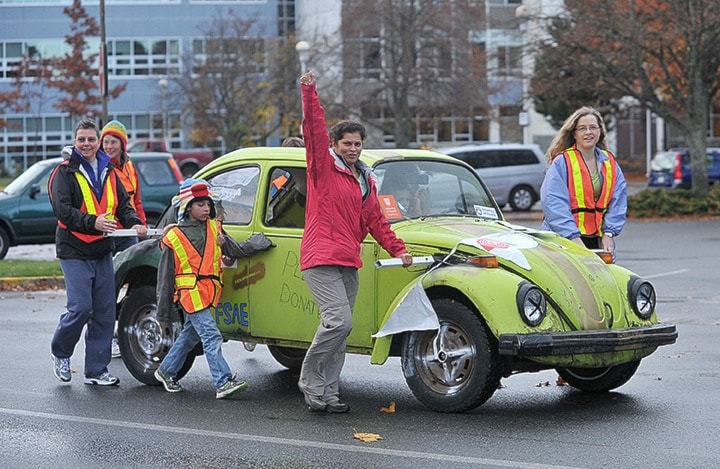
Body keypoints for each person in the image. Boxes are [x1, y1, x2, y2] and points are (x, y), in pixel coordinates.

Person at [297, 70, 413, 414]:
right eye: (346, 143)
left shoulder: (365, 180)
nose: (352, 148)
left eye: (357, 144)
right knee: (339, 323)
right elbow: (313, 130)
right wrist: (309, 92)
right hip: (320, 258)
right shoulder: (322, 169)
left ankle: (326, 396)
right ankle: (309, 379)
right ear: (334, 145)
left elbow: (376, 221)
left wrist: (399, 249)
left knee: (340, 334)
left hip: (348, 261)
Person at [49, 117, 148, 386]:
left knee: (104, 312)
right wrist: (93, 222)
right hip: (73, 249)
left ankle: (96, 370)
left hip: (103, 250)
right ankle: (61, 352)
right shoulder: (63, 173)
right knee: (81, 309)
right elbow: (63, 210)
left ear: (98, 142)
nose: (87, 144)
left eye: (91, 139)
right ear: (75, 141)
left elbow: (124, 206)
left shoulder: (111, 172)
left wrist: (135, 223)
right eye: (82, 139)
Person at [153, 178, 273, 399]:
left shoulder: (214, 227)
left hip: (209, 292)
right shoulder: (173, 237)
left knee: (190, 336)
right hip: (191, 294)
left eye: (208, 204)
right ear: (187, 207)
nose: (206, 208)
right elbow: (165, 279)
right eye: (200, 204)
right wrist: (162, 312)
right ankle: (223, 381)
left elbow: (233, 249)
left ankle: (166, 371)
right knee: (211, 335)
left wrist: (257, 244)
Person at [540, 106, 627, 257]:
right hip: (563, 239)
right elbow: (553, 202)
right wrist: (574, 238)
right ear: (574, 133)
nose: (588, 132)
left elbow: (618, 201)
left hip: (597, 240)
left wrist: (609, 234)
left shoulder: (609, 162)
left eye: (593, 127)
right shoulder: (562, 162)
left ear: (600, 132)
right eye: (582, 128)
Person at [100, 120, 147, 253]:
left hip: (129, 231)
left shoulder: (130, 166)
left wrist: (140, 224)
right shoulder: (99, 168)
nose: (109, 146)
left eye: (113, 142)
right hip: (109, 232)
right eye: (105, 142)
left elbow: (136, 201)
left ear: (123, 145)